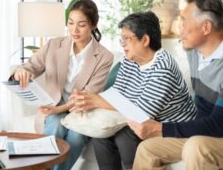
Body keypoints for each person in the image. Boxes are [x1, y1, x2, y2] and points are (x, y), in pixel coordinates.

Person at [129, 0, 223, 170]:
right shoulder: (194, 51)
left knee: (196, 148)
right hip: (207, 133)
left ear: (206, 27)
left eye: (184, 20)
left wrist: (159, 128)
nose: (179, 28)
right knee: (147, 149)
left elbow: (218, 124)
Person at [70, 11, 196, 170]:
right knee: (100, 135)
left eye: (126, 39)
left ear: (145, 40)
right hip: (141, 121)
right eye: (121, 38)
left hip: (172, 129)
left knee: (126, 136)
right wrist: (91, 100)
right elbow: (116, 94)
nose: (122, 44)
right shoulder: (129, 60)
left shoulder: (163, 68)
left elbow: (141, 113)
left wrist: (97, 100)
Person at [12, 0, 113, 170]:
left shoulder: (104, 57)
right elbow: (31, 66)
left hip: (81, 111)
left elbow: (87, 95)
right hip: (52, 108)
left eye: (81, 24)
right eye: (71, 23)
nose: (74, 29)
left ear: (93, 25)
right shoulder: (53, 45)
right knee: (56, 124)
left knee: (76, 137)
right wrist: (21, 72)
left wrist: (58, 110)